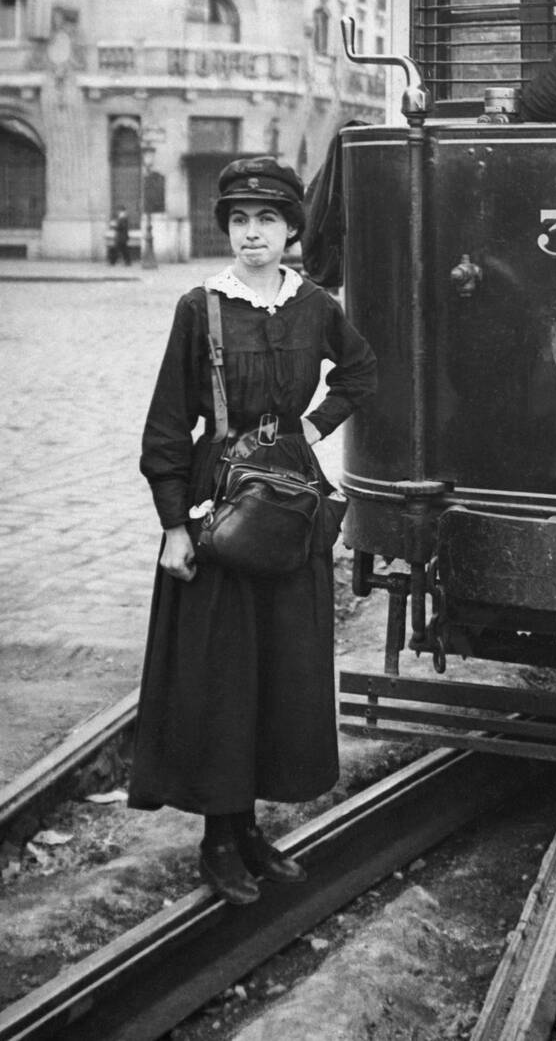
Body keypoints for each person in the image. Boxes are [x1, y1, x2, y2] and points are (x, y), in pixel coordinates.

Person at [128, 155, 377, 905]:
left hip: (292, 501)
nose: (252, 234)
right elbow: (168, 427)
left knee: (280, 671)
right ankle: (217, 837)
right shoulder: (200, 306)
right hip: (221, 503)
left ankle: (251, 829)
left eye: (267, 219)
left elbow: (361, 369)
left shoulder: (314, 305)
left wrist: (311, 422)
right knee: (222, 676)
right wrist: (175, 526)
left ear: (292, 228)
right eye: (239, 220)